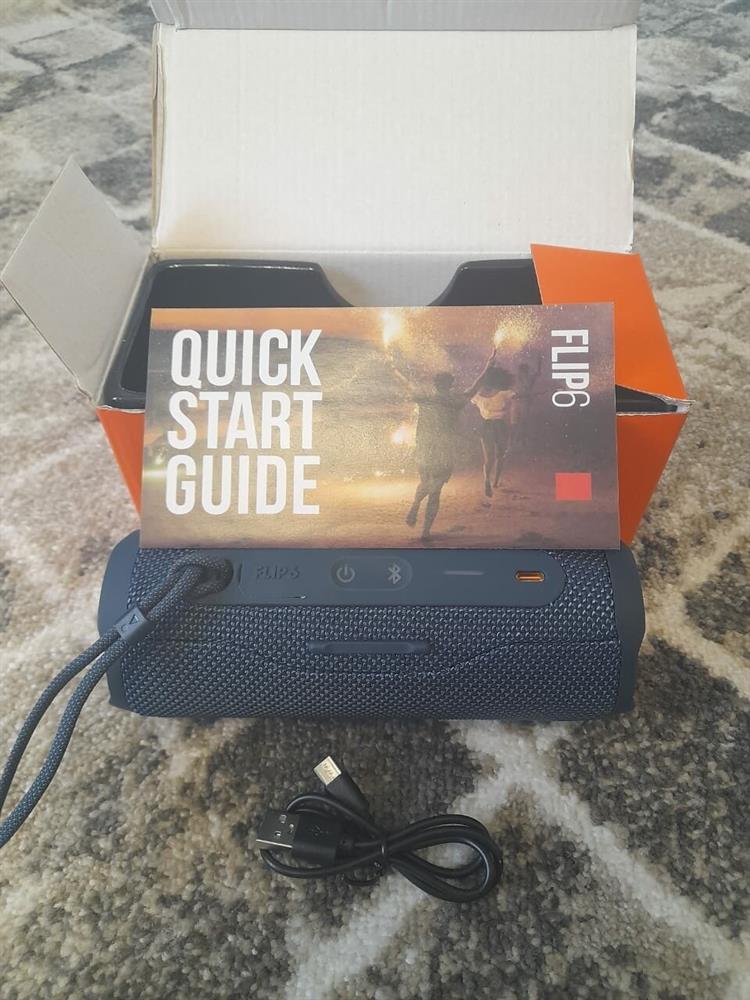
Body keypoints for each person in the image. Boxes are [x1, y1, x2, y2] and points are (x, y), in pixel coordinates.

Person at [389, 347, 496, 542]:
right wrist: (488, 366)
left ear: (435, 384)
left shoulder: (426, 398)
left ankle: (415, 505)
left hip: (425, 448)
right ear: (450, 385)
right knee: (435, 490)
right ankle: (425, 530)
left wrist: (394, 365)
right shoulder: (455, 400)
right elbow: (475, 386)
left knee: (425, 483)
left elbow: (406, 382)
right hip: (443, 450)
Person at [472, 365, 515, 497]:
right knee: (500, 455)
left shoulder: (477, 396)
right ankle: (495, 482)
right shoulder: (504, 393)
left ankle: (487, 480)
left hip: (486, 426)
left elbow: (471, 394)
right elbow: (521, 396)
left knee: (489, 457)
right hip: (500, 425)